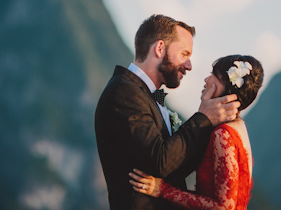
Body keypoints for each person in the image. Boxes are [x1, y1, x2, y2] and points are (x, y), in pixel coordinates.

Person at [95, 15, 241, 210]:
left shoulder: (150, 97)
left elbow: (174, 167)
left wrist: (213, 124)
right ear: (160, 48)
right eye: (184, 54)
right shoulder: (123, 92)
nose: (189, 65)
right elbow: (160, 161)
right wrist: (203, 118)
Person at [129, 55, 264, 210]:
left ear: (228, 88)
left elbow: (224, 207)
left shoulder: (223, 134)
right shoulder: (238, 126)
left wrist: (163, 190)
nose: (207, 79)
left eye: (215, 76)